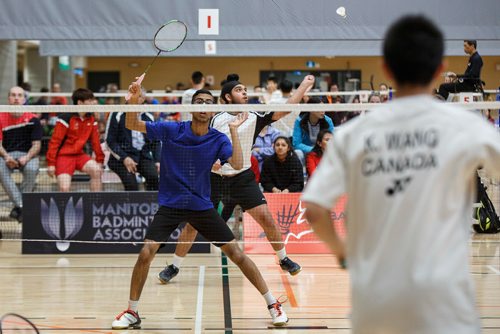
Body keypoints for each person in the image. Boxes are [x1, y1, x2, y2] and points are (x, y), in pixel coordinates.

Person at [302, 15, 500, 334]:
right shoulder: (466, 127)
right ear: (439, 69)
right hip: (447, 306)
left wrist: (343, 253)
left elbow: (314, 209)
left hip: (376, 308)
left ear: (386, 69)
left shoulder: (353, 134)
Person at [111, 86, 289, 329]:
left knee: (236, 254)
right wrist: (133, 100)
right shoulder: (173, 129)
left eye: (208, 102)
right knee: (146, 252)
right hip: (171, 205)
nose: (204, 105)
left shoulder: (218, 139)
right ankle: (132, 311)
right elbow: (133, 124)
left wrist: (235, 132)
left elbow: (237, 162)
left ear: (212, 109)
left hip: (200, 207)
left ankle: (272, 304)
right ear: (193, 107)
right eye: (199, 101)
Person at [157, 73, 315, 283]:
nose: (245, 93)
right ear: (227, 97)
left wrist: (303, 86)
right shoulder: (214, 119)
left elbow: (286, 108)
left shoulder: (254, 116)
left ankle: (284, 259)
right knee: (192, 224)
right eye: (239, 90)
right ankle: (174, 266)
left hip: (242, 179)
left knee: (266, 218)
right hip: (213, 179)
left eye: (245, 90)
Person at [46, 89, 104, 192]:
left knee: (97, 171)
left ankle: (95, 204)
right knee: (64, 188)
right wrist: (51, 163)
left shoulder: (91, 119)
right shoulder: (66, 118)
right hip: (63, 156)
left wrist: (100, 160)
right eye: (89, 100)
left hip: (79, 155)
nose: (93, 103)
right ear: (80, 103)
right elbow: (55, 142)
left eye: (93, 100)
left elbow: (96, 142)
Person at [0, 86, 42, 222]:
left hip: (28, 154)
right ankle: (22, 205)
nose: (16, 98)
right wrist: (7, 157)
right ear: (9, 98)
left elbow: (37, 145)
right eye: (13, 95)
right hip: (6, 154)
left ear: (24, 99)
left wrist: (27, 157)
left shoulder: (33, 119)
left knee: (32, 169)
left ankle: (18, 208)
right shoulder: (1, 117)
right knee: (0, 169)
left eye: (19, 95)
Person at [105, 87, 160, 191]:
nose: (134, 97)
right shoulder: (117, 114)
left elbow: (156, 141)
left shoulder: (148, 117)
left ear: (143, 99)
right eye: (131, 94)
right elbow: (110, 141)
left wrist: (157, 160)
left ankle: (150, 205)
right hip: (121, 157)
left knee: (154, 178)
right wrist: (124, 158)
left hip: (142, 155)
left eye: (138, 96)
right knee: (132, 185)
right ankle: (131, 207)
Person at [292, 97, 334, 163]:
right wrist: (314, 150)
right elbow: (296, 144)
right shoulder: (299, 121)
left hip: (323, 151)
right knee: (298, 153)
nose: (323, 111)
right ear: (311, 109)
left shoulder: (328, 121)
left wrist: (321, 150)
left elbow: (332, 141)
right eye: (320, 108)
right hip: (305, 152)